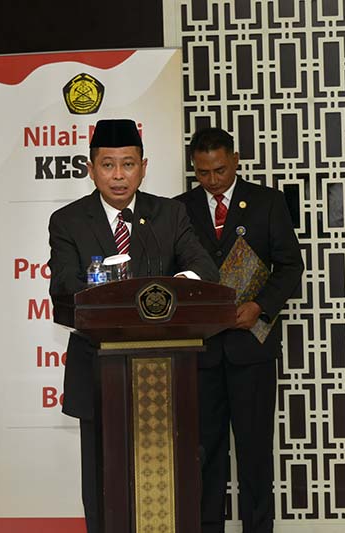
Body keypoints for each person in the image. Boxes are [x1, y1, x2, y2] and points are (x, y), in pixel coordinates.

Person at [48, 119, 218, 532]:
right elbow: (65, 286)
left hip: (168, 370)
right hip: (98, 369)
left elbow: (204, 268)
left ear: (144, 167)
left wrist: (177, 289)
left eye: (128, 164)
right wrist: (113, 289)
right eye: (108, 165)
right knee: (102, 482)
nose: (119, 175)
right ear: (91, 169)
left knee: (170, 476)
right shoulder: (68, 220)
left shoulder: (169, 214)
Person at [175, 127, 304, 533]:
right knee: (205, 453)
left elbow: (290, 266)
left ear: (235, 160)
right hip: (201, 352)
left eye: (220, 170)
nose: (212, 180)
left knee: (254, 452)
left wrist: (260, 307)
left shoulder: (267, 202)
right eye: (203, 172)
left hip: (252, 348)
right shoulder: (179, 209)